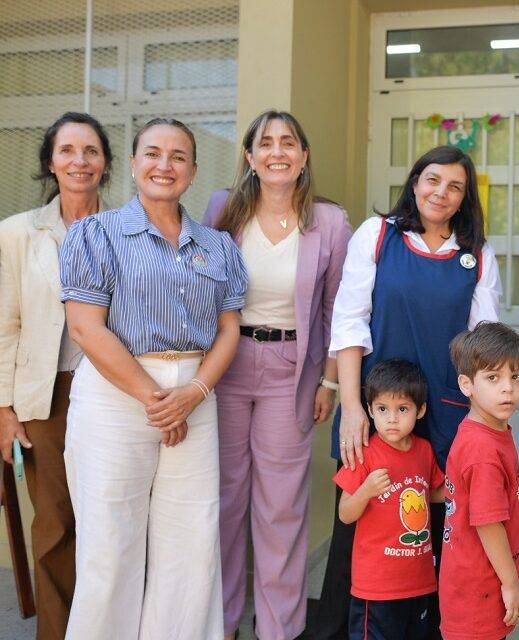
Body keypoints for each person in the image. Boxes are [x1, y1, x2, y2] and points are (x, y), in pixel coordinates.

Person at [59, 118, 247, 640]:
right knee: (111, 546)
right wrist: (157, 400)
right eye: (153, 153)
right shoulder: (94, 233)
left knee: (191, 545)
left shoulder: (219, 245)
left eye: (178, 156)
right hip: (117, 395)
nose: (165, 165)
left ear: (192, 170)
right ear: (135, 162)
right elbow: (85, 327)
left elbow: (229, 329)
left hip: (196, 392)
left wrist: (192, 393)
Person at [310, 145, 501, 640]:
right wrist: (352, 408)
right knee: (361, 533)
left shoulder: (477, 255)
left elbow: (485, 348)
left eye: (454, 186)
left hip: (448, 415)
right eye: (432, 179)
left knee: (441, 535)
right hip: (378, 410)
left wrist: (492, 430)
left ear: (464, 199)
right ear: (415, 182)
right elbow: (349, 324)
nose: (441, 192)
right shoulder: (377, 237)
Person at [202, 109, 351, 640]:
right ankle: (219, 625)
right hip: (226, 363)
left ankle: (277, 630)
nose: (277, 152)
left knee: (280, 510)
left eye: (288, 142)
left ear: (304, 156)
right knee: (223, 501)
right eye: (265, 143)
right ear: (249, 157)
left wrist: (330, 380)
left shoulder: (330, 221)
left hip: (294, 370)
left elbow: (338, 307)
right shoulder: (222, 209)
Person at [0, 112, 112, 640]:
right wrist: (3, 410)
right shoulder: (18, 233)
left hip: (114, 395)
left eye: (91, 151)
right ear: (51, 161)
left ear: (107, 163)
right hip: (44, 397)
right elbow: (5, 325)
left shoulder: (125, 230)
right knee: (53, 525)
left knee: (107, 524)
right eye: (67, 150)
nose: (79, 161)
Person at [440, 322, 519, 640]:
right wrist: (511, 585)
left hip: (471, 579)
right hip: (481, 587)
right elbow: (488, 523)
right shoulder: (483, 449)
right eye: (493, 378)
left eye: (516, 376)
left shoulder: (488, 428)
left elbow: (486, 489)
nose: (507, 388)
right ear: (466, 385)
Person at [334, 359, 444, 640]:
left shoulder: (424, 450)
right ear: (370, 410)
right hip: (377, 587)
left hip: (419, 582)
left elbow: (432, 493)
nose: (392, 418)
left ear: (420, 411)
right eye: (383, 409)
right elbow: (345, 513)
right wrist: (366, 490)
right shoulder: (365, 453)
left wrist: (471, 487)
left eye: (402, 409)